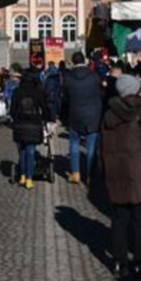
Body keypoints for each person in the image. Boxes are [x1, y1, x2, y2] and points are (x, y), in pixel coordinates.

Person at [101, 74, 141, 280]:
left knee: (119, 219)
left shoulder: (109, 114)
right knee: (140, 219)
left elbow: (103, 147)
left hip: (115, 172)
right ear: (135, 90)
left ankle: (120, 262)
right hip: (137, 173)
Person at [63, 51, 103, 185]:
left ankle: (75, 174)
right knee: (91, 146)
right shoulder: (94, 76)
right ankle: (90, 175)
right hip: (93, 114)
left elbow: (65, 97)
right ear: (84, 60)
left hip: (75, 113)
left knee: (74, 143)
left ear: (73, 62)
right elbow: (100, 93)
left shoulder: (67, 77)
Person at [11, 68, 47, 190]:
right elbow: (45, 108)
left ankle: (22, 175)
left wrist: (16, 118)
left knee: (22, 151)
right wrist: (45, 118)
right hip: (34, 124)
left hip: (20, 124)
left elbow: (11, 111)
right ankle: (29, 179)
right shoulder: (38, 92)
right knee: (31, 151)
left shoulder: (17, 91)